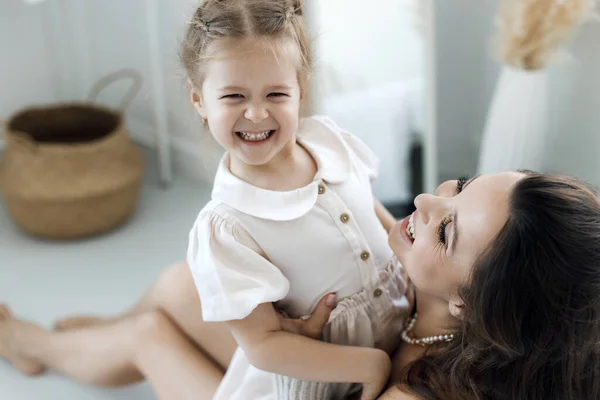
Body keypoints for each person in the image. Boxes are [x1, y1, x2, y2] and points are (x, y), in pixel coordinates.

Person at [2, 170, 600, 399]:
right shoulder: (445, 302)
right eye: (462, 185)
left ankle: (34, 344)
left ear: (474, 300)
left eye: (448, 230)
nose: (426, 199)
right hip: (321, 377)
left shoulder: (426, 391)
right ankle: (100, 334)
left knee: (151, 334)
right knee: (185, 285)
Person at [181, 0, 411, 399]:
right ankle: (134, 336)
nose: (256, 114)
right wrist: (370, 365)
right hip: (319, 382)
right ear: (199, 99)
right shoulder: (226, 226)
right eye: (234, 96)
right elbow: (263, 345)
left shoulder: (328, 140)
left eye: (275, 93)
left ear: (300, 88)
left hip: (399, 339)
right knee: (165, 347)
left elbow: (381, 225)